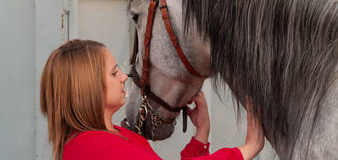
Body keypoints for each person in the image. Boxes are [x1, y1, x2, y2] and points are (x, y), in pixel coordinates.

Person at [40, 39, 264, 160]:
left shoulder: (115, 135)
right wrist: (246, 150)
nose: (123, 77)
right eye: (113, 72)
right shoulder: (92, 146)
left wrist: (201, 133)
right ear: (87, 88)